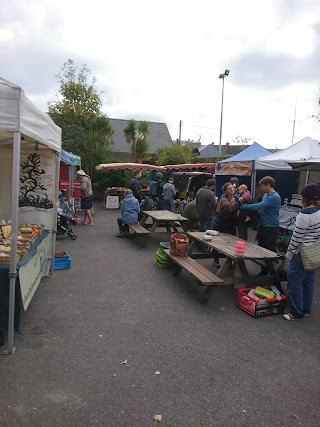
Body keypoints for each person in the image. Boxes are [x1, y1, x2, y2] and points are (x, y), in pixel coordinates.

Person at [283, 183, 320, 320]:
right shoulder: (319, 212)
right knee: (309, 282)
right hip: (314, 252)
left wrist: (289, 254)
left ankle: (296, 312)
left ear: (304, 198)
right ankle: (306, 309)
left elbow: (296, 239)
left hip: (301, 254)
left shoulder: (304, 216)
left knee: (295, 282)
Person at [242, 176, 281, 274]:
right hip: (263, 226)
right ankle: (263, 272)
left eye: (262, 186)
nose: (260, 188)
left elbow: (259, 206)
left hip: (271, 228)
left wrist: (244, 206)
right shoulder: (266, 195)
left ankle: (272, 276)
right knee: (261, 251)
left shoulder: (274, 197)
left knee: (270, 252)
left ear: (268, 185)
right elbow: (261, 209)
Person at [212, 182, 242, 267]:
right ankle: (216, 259)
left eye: (233, 188)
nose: (232, 189)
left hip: (231, 224)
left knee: (231, 244)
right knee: (217, 243)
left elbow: (243, 206)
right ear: (225, 191)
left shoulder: (236, 198)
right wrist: (240, 202)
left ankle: (229, 262)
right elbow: (230, 208)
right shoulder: (223, 198)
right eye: (229, 188)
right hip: (220, 224)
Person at [196, 179, 216, 253]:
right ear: (212, 186)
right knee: (207, 233)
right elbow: (213, 205)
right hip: (208, 215)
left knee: (200, 232)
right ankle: (205, 249)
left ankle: (199, 247)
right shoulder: (210, 193)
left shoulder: (199, 191)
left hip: (199, 214)